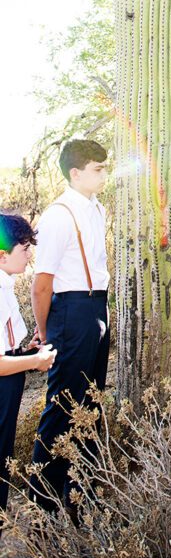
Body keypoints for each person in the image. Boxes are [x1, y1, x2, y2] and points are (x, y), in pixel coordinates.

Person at [29, 139, 110, 514]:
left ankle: (82, 495)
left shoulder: (97, 209)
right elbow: (41, 284)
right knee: (63, 405)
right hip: (72, 310)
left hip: (97, 306)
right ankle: (43, 503)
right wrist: (46, 333)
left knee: (91, 401)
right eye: (97, 168)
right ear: (75, 173)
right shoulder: (59, 215)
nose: (104, 174)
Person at [0, 214, 56, 519]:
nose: (29, 255)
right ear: (2, 255)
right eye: (24, 249)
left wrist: (25, 351)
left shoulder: (5, 286)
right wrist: (35, 361)